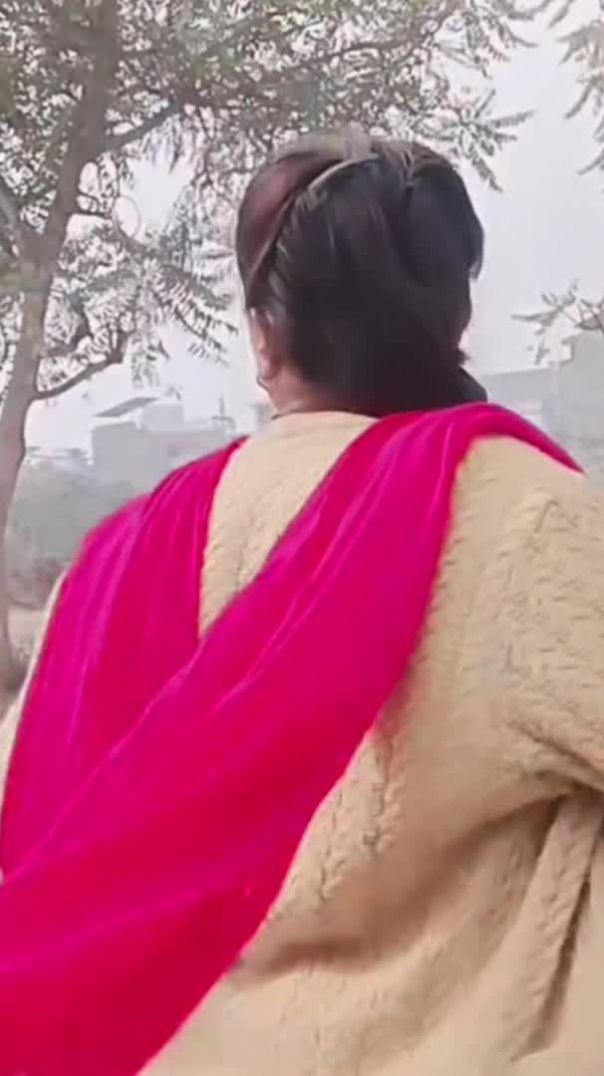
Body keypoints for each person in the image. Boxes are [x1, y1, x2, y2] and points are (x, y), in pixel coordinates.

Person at [0, 130, 603, 1076]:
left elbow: (27, 824)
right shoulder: (530, 520)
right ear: (455, 318)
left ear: (265, 336)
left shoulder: (113, 564)